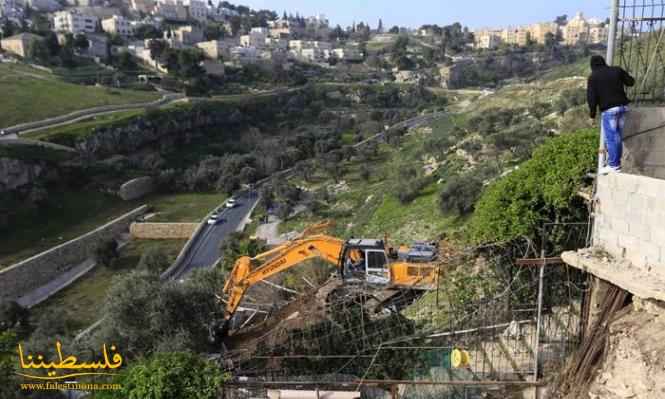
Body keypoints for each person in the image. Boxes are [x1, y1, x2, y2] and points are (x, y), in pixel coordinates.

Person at [587, 55, 635, 174]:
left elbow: (591, 99)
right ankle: (615, 164)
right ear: (604, 62)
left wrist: (592, 116)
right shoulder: (616, 70)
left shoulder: (593, 77)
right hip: (623, 107)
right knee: (617, 137)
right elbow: (630, 82)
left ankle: (614, 165)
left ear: (592, 65)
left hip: (609, 111)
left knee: (612, 139)